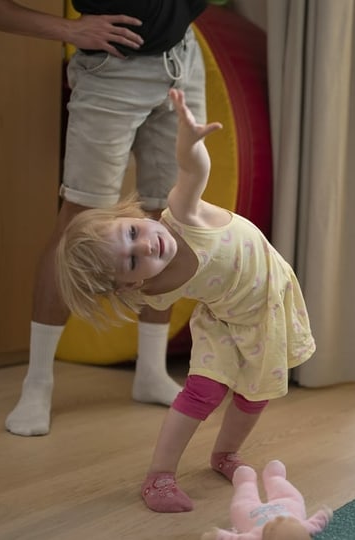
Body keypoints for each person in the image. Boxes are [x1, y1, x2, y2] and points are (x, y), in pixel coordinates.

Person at [0, 0, 209, 436]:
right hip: (112, 69)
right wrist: (67, 30)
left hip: (183, 60)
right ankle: (38, 384)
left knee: (166, 219)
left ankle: (150, 371)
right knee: (80, 222)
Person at [55, 88, 315, 513]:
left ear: (135, 217)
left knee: (255, 396)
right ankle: (159, 475)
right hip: (223, 319)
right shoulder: (153, 289)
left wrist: (190, 142)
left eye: (134, 234)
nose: (147, 247)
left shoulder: (181, 214)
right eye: (132, 262)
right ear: (129, 286)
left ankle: (224, 454)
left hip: (268, 302)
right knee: (200, 393)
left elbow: (192, 171)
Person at [202, 460, 332, 540]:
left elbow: (233, 538)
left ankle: (245, 482)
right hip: (286, 504)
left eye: (272, 527)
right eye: (288, 520)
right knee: (290, 496)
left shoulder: (256, 536)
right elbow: (315, 524)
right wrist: (324, 515)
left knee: (243, 503)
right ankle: (275, 477)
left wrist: (216, 536)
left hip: (253, 512)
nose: (278, 518)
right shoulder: (302, 528)